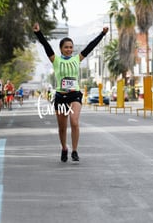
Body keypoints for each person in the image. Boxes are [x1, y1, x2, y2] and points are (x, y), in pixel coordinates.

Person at [33, 22, 109, 162]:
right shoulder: (55, 60)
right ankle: (64, 148)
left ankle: (74, 150)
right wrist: (38, 33)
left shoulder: (77, 59)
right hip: (61, 96)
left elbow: (90, 46)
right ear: (61, 49)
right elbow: (46, 46)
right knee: (62, 127)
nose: (69, 49)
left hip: (74, 95)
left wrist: (102, 34)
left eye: (70, 47)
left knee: (74, 122)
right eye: (66, 47)